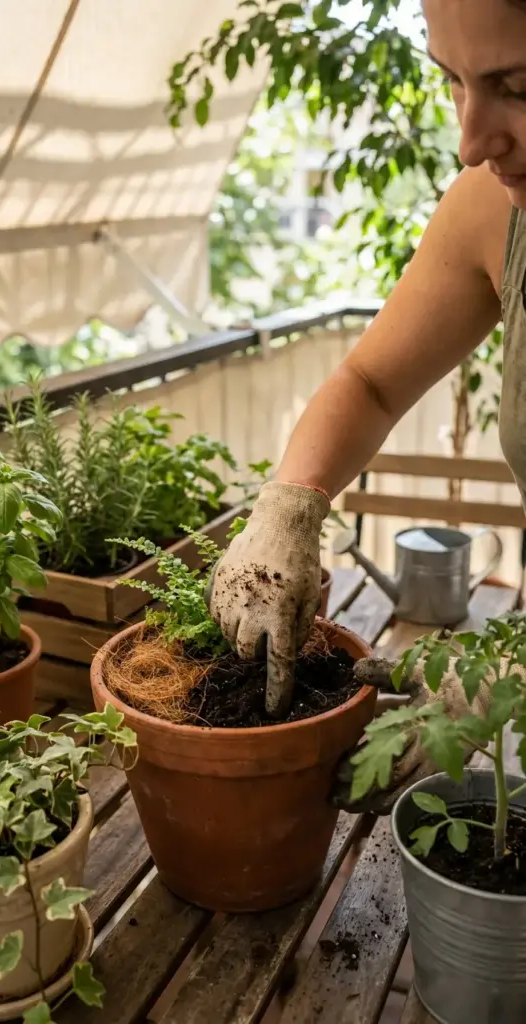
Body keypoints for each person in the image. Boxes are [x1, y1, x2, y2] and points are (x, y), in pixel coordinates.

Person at [206, 0, 526, 809]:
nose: (471, 140)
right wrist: (287, 505)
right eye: (450, 80)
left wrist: (507, 681)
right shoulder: (494, 206)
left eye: (519, 86)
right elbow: (370, 385)